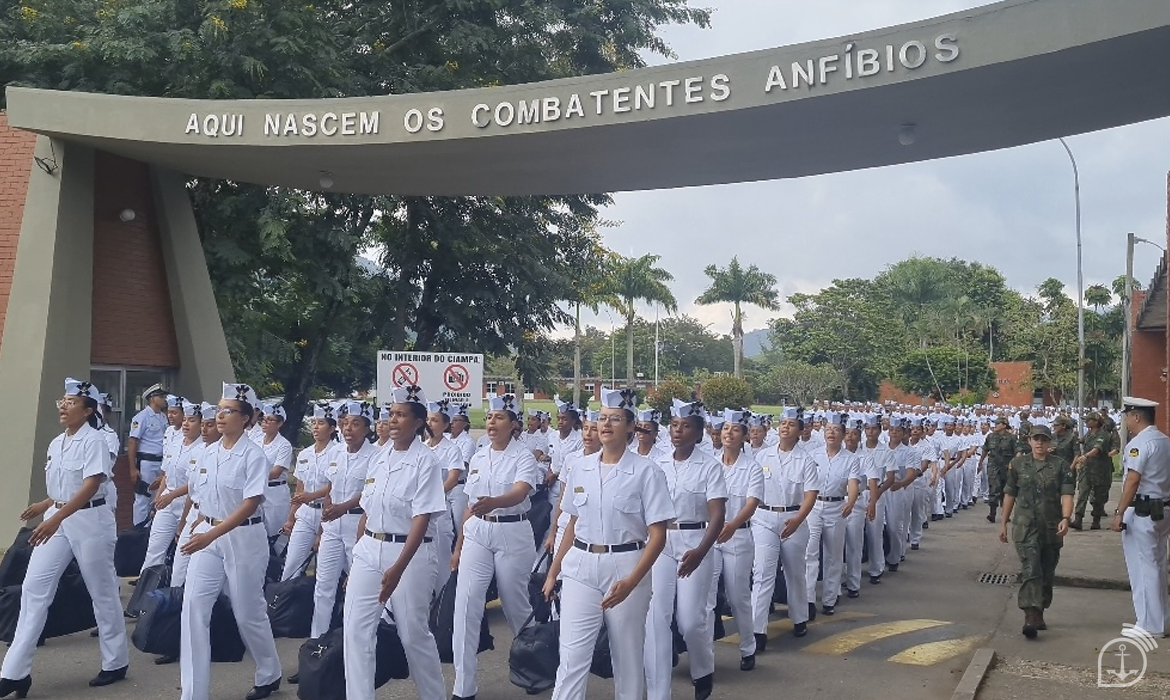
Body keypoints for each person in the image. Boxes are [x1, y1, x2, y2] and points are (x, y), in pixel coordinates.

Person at [0, 379, 129, 698]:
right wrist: (47, 505)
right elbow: (63, 487)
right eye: (62, 400)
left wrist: (56, 516)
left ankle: (116, 661)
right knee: (33, 589)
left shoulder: (95, 440)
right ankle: (15, 673)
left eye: (71, 402)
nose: (63, 405)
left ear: (88, 411)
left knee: (101, 591)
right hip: (57, 519)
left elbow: (91, 484)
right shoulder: (57, 442)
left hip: (89, 521)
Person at [543, 387, 672, 700]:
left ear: (630, 427)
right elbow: (572, 523)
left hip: (626, 564)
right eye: (602, 418)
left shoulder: (647, 472)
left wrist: (632, 581)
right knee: (572, 656)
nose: (605, 424)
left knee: (626, 657)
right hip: (580, 566)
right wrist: (553, 572)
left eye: (615, 419)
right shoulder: (580, 468)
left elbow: (658, 534)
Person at [179, 383, 282, 700]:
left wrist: (210, 532)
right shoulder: (207, 453)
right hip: (207, 537)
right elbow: (200, 497)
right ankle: (194, 693)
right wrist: (198, 523)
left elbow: (249, 505)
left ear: (247, 418)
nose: (220, 416)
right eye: (219, 409)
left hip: (243, 538)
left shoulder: (254, 456)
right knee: (194, 608)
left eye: (229, 410)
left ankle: (269, 671)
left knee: (247, 612)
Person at [344, 385, 447, 700]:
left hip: (409, 555)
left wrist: (398, 568)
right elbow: (368, 508)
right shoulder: (378, 457)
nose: (393, 420)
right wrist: (358, 553)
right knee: (356, 632)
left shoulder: (426, 461)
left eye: (401, 415)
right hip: (369, 549)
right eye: (391, 414)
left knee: (413, 633)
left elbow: (422, 519)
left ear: (418, 422)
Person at [450, 394, 541, 700]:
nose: (492, 423)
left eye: (500, 417)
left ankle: (533, 666)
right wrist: (459, 546)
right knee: (466, 603)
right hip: (478, 531)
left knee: (515, 605)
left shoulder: (523, 456)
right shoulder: (478, 456)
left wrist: (495, 502)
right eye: (489, 418)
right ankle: (464, 686)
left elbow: (520, 492)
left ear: (514, 424)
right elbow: (470, 505)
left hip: (512, 531)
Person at [645, 399, 727, 700]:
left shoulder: (709, 467)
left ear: (699, 433)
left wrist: (702, 551)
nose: (678, 431)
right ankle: (658, 687)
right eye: (675, 426)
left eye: (686, 426)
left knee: (691, 621)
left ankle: (703, 670)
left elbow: (717, 514)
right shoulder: (657, 464)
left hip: (696, 543)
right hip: (661, 543)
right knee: (657, 617)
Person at [998, 424, 1074, 639]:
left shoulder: (1060, 466)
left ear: (1050, 442)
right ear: (1029, 441)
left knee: (1046, 571)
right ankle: (1030, 615)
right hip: (1025, 526)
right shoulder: (1018, 464)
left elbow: (1067, 494)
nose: (1039, 442)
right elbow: (1010, 494)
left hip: (1051, 527)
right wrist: (1003, 522)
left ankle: (1039, 611)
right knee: (1031, 569)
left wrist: (1066, 518)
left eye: (1043, 439)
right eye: (1035, 439)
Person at [752, 407, 819, 646]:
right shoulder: (763, 456)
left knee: (794, 571)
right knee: (762, 572)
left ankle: (799, 617)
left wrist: (799, 519)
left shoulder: (806, 461)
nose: (784, 427)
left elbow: (810, 494)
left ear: (800, 430)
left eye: (791, 424)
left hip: (794, 518)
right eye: (782, 423)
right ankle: (757, 629)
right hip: (764, 517)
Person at [310, 401, 378, 640]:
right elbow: (330, 487)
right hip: (332, 526)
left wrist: (343, 507)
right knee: (323, 587)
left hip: (358, 524)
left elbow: (370, 493)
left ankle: (362, 638)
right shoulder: (336, 452)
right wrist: (322, 525)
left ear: (368, 429)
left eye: (356, 424)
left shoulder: (375, 456)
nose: (348, 429)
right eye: (345, 423)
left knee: (360, 586)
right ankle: (317, 644)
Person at [1111, 396, 1170, 639]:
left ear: (1136, 416)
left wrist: (1119, 512)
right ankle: (1161, 621)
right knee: (1157, 564)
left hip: (1143, 510)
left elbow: (1133, 480)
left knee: (1143, 567)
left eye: (1127, 415)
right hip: (1162, 508)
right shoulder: (1165, 441)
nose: (1125, 420)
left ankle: (1149, 625)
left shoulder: (1139, 444)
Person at [711, 409, 763, 671]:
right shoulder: (710, 462)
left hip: (738, 536)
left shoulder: (752, 467)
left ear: (744, 435)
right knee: (706, 598)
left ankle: (747, 647)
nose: (728, 434)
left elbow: (752, 501)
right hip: (710, 537)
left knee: (737, 595)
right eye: (725, 429)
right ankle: (704, 653)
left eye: (735, 430)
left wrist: (731, 525)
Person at [806, 413, 861, 616]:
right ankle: (808, 599)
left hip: (836, 507)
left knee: (833, 555)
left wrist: (851, 501)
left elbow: (853, 484)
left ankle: (829, 599)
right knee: (810, 552)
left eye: (836, 430)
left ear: (844, 434)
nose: (831, 433)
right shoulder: (813, 454)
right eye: (828, 429)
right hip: (814, 505)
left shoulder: (850, 459)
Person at [139, 400, 202, 575]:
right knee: (155, 546)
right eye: (185, 420)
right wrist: (158, 499)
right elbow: (166, 475)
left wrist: (171, 496)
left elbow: (194, 483)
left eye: (192, 420)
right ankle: (146, 588)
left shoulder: (203, 449)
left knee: (184, 551)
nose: (186, 424)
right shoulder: (175, 444)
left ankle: (175, 588)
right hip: (168, 500)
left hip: (187, 502)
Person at [279, 402, 336, 582]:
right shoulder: (305, 454)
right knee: (292, 564)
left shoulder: (338, 453)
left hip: (327, 513)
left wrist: (313, 495)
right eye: (314, 423)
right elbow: (299, 489)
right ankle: (285, 605)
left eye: (321, 423)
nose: (315, 427)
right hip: (305, 513)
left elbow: (335, 486)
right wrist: (290, 518)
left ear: (332, 428)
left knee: (326, 572)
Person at [172, 402, 220, 590]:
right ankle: (174, 610)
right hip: (196, 513)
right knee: (180, 566)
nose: (205, 429)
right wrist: (183, 522)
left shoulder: (224, 453)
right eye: (203, 425)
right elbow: (192, 492)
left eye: (210, 425)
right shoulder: (197, 451)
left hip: (216, 517)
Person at [424, 399, 464, 587]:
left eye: (435, 420)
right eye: (428, 420)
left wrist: (431, 496)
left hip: (440, 510)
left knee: (441, 559)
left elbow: (452, 478)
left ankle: (443, 607)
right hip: (417, 510)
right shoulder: (421, 447)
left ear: (446, 424)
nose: (430, 424)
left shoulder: (451, 450)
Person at [127, 383, 169, 526]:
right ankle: (138, 529)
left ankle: (150, 530)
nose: (164, 399)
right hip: (147, 462)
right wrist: (132, 468)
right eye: (161, 396)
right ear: (152, 398)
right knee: (143, 498)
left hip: (161, 462)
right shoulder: (142, 417)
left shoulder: (163, 417)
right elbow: (132, 442)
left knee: (157, 497)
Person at [1071, 412, 1113, 530]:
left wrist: (1086, 456)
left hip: (1100, 470)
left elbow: (1097, 449)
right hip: (1087, 469)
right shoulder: (1089, 434)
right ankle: (1078, 519)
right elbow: (1081, 441)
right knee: (1083, 493)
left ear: (1095, 421)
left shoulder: (1103, 434)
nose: (1086, 422)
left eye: (1088, 420)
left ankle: (1096, 520)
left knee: (1099, 496)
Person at [258, 403, 294, 538]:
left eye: (270, 420)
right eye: (263, 419)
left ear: (279, 424)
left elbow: (276, 472)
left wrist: (252, 475)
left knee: (276, 534)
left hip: (275, 493)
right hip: (259, 489)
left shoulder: (283, 445)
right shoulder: (256, 441)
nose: (265, 423)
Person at [979, 417, 1016, 523]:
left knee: (1006, 491)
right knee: (993, 487)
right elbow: (985, 450)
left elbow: (1017, 452)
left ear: (1004, 425)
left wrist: (1014, 464)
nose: (995, 425)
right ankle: (992, 513)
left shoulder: (1011, 438)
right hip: (993, 466)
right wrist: (980, 462)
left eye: (998, 423)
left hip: (1006, 467)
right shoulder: (990, 436)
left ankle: (1005, 514)